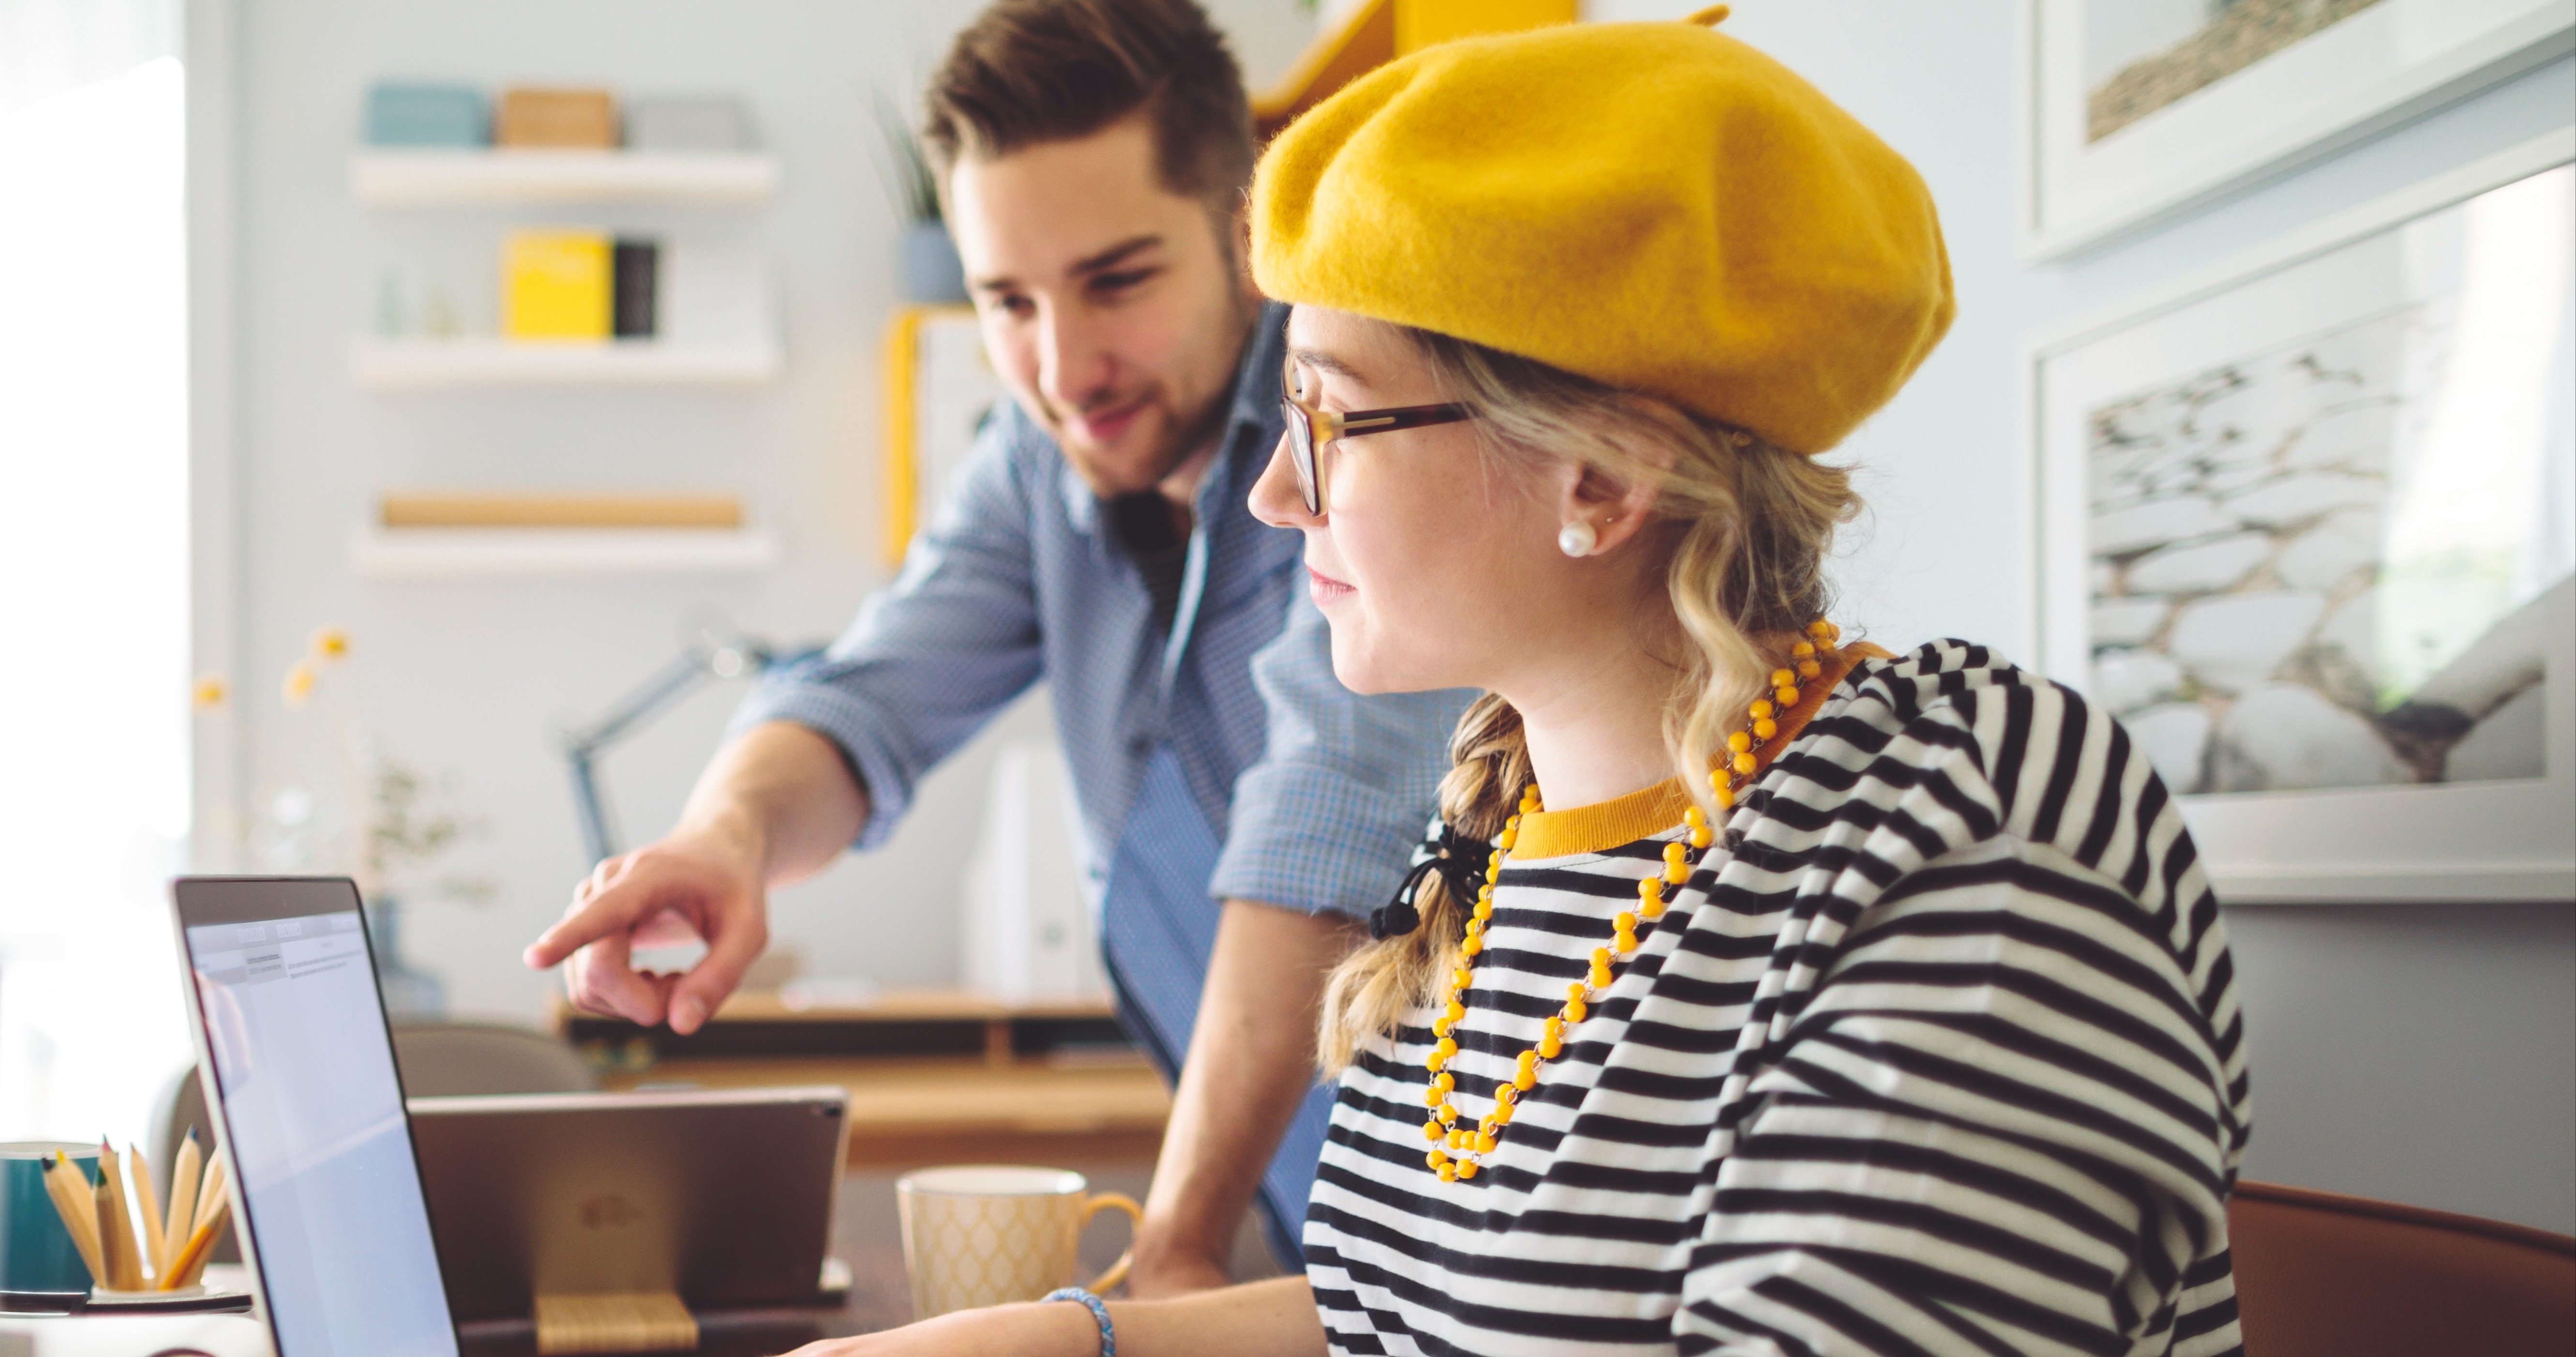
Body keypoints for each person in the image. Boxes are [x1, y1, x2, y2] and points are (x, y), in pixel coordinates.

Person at [788, 12, 2251, 1356]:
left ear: (1602, 476)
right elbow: (1393, 1319)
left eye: (1336, 421)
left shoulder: (1969, 832)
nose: (1273, 496)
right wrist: (1060, 1342)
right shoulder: (1494, 841)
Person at [520, 0, 1468, 1289]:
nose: (1063, 367)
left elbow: (1325, 819)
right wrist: (722, 842)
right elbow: (869, 696)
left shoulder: (1353, 427)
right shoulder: (1033, 463)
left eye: (1117, 281)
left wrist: (1178, 1239)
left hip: (1501, 1221)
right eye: (1006, 301)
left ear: (1245, 235)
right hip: (1332, 1235)